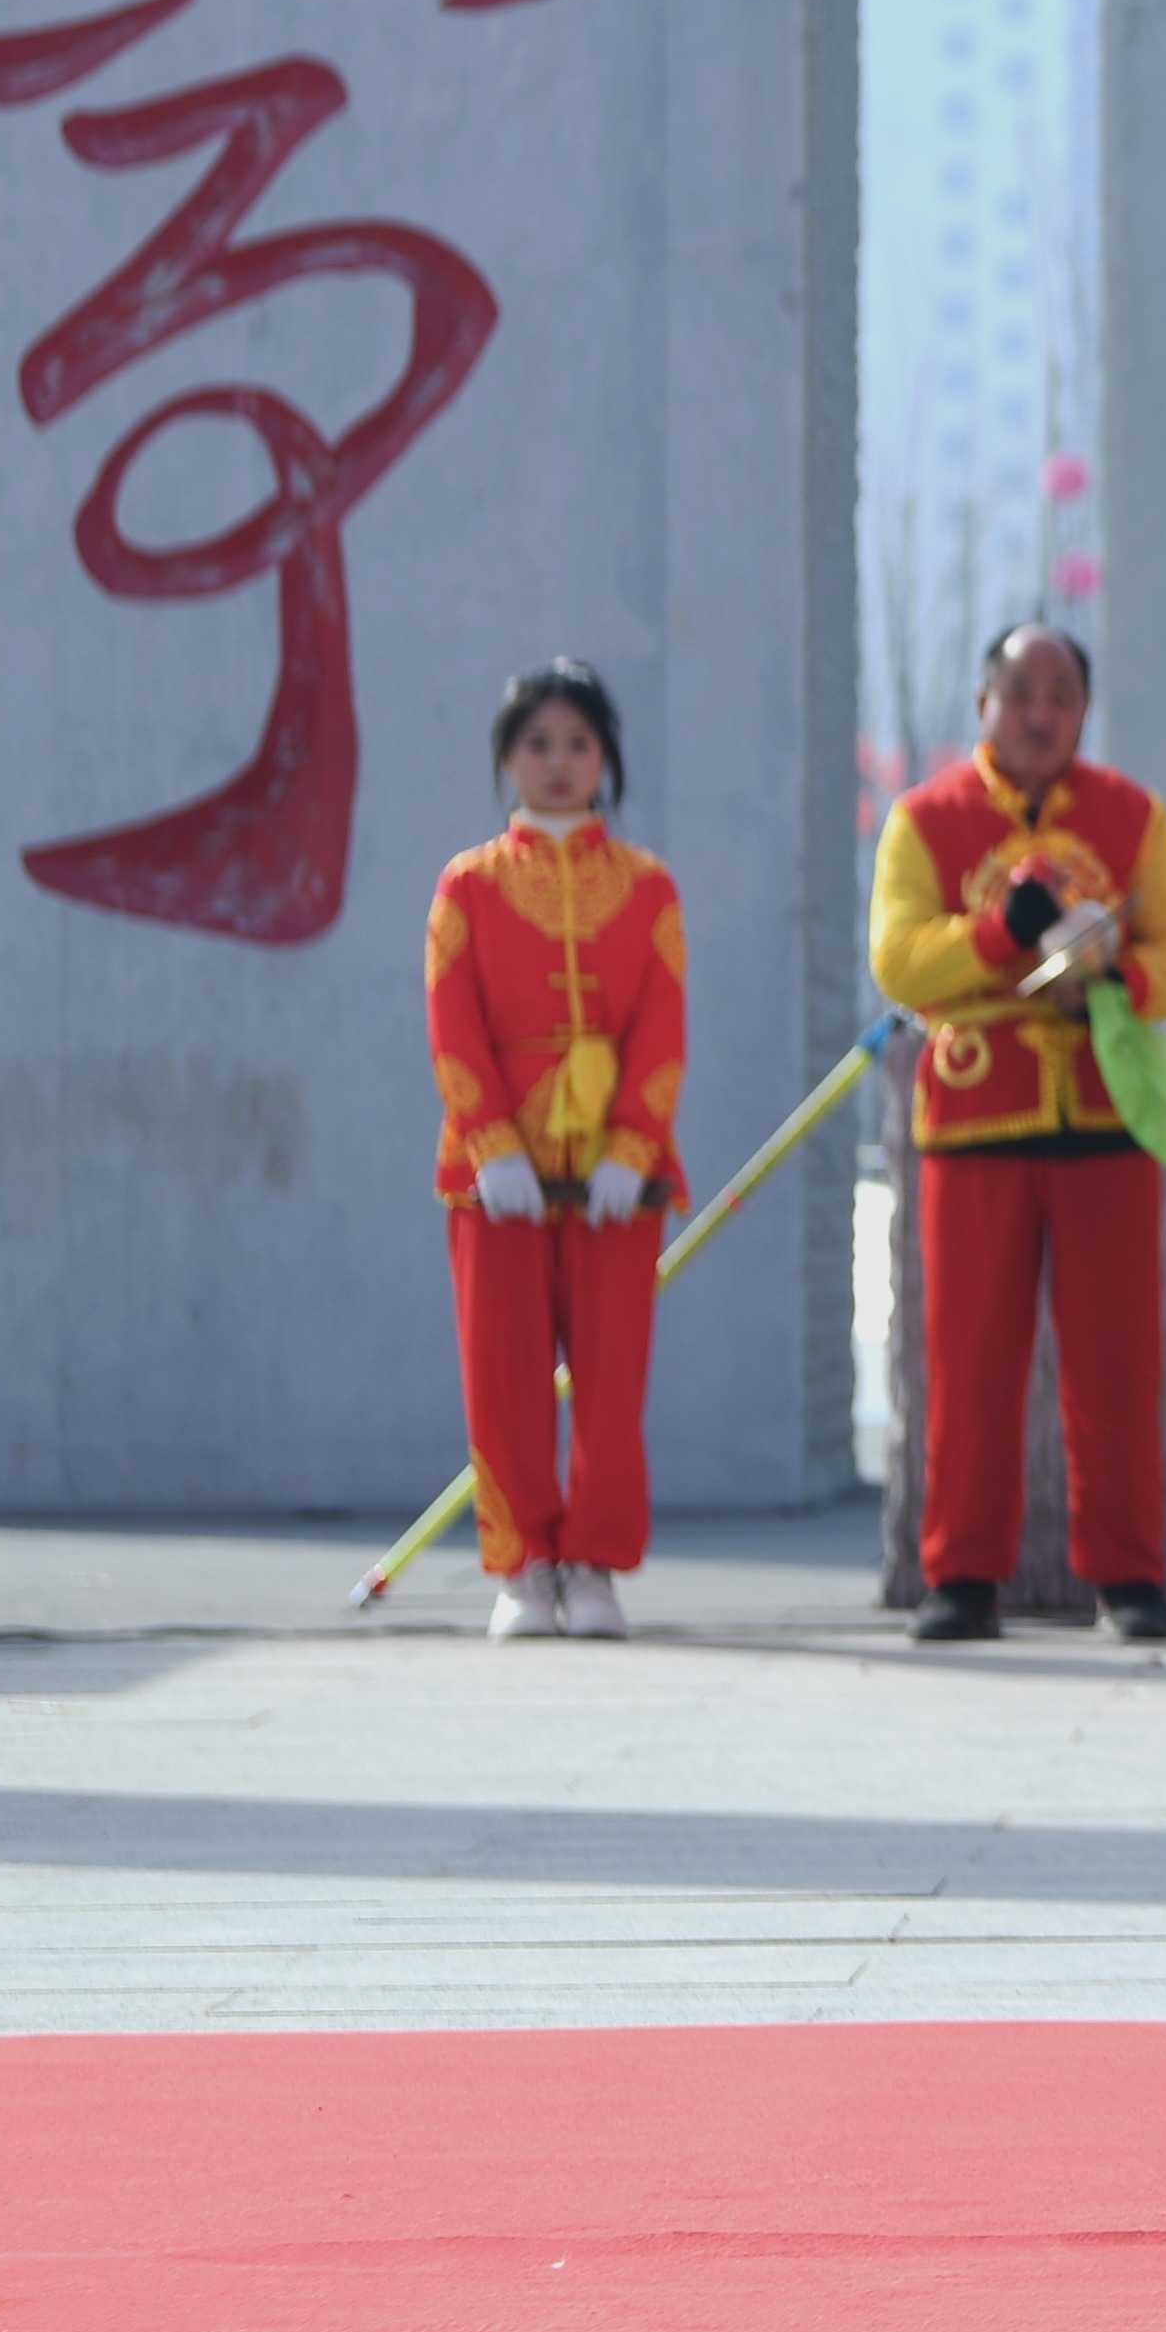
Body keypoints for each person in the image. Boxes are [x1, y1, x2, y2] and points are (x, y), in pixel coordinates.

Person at [869, 622, 1166, 1646]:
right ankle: (961, 1575)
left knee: (1116, 1359)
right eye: (1021, 691)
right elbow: (898, 961)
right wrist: (996, 934)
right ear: (983, 705)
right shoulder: (923, 819)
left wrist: (1119, 973)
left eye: (1060, 692)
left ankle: (1128, 1575)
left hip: (1107, 1109)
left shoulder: (1130, 813)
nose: (1040, 712)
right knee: (967, 1361)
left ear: (1083, 709)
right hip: (978, 1110)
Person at [427, 659, 685, 1644]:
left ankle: (596, 1566)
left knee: (612, 1382)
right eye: (538, 743)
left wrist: (632, 1143)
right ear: (507, 759)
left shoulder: (649, 885)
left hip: (618, 1175)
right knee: (505, 1376)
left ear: (606, 758)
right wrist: (491, 1145)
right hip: (496, 1181)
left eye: (579, 743)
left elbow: (663, 1024)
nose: (559, 761)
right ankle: (524, 1566)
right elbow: (452, 1023)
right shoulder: (468, 886)